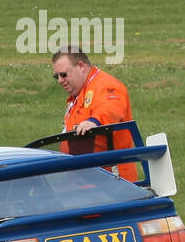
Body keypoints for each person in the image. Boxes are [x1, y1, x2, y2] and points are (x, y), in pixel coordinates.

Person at [51, 46, 139, 181]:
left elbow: (111, 109)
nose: (60, 80)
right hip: (87, 178)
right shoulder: (79, 94)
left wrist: (94, 122)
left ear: (81, 66)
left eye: (64, 74)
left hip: (113, 181)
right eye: (56, 76)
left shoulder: (105, 85)